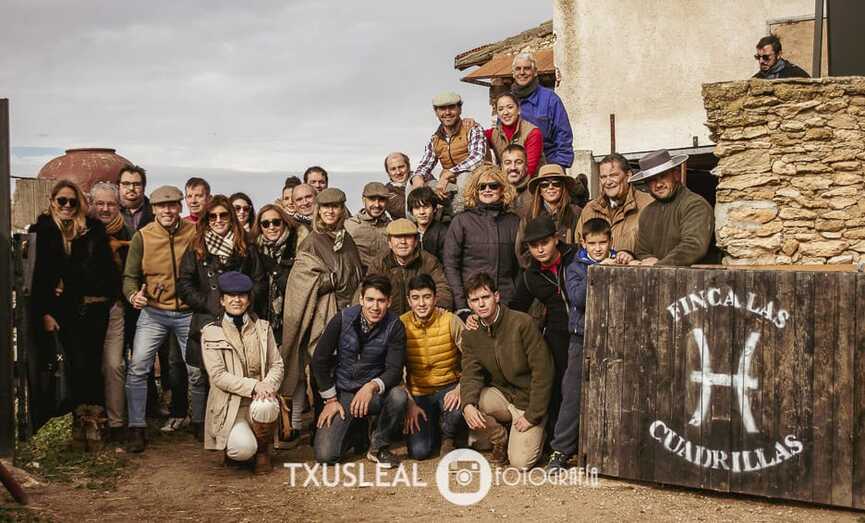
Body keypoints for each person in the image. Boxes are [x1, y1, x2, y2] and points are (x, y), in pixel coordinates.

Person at [30, 180, 118, 428]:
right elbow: (38, 279)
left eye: (72, 201)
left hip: (95, 307)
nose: (67, 205)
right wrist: (45, 312)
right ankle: (77, 421)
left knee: (94, 364)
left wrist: (106, 295)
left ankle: (95, 422)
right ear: (52, 202)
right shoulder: (42, 231)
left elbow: (105, 269)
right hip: (62, 310)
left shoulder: (92, 230)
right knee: (72, 364)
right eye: (62, 200)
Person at [279, 188, 364, 446]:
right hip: (323, 318)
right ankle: (321, 428)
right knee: (322, 369)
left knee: (348, 370)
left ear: (342, 209)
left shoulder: (347, 240)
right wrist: (331, 280)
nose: (330, 211)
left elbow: (356, 276)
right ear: (318, 210)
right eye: (325, 207)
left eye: (335, 206)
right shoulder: (311, 242)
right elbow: (301, 282)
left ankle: (351, 430)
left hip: (349, 315)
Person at [177, 194, 265, 437]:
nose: (218, 220)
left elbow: (259, 281)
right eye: (212, 216)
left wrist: (242, 303)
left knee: (238, 373)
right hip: (208, 317)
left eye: (223, 215)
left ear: (231, 217)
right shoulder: (196, 247)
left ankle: (236, 423)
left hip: (241, 317)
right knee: (202, 374)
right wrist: (208, 302)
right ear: (206, 219)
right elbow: (184, 283)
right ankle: (201, 422)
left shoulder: (246, 246)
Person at [123, 185, 200, 452]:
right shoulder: (143, 237)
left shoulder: (194, 233)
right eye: (161, 206)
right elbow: (130, 276)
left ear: (180, 207)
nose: (167, 210)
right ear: (154, 209)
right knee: (138, 367)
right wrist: (133, 295)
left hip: (187, 312)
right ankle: (137, 427)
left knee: (196, 370)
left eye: (172, 205)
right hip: (153, 312)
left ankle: (200, 422)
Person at [311, 274, 407, 467]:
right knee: (326, 455)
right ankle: (358, 431)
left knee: (398, 396)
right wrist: (330, 400)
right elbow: (319, 360)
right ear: (361, 299)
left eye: (381, 301)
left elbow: (395, 370)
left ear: (389, 302)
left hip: (374, 394)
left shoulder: (395, 325)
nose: (375, 306)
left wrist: (371, 386)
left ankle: (378, 446)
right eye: (370, 299)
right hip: (344, 392)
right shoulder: (342, 319)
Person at [460, 273, 553, 470]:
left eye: (485, 297)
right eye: (475, 300)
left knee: (520, 463)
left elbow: (543, 372)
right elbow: (470, 373)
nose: (481, 304)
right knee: (470, 400)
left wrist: (532, 415)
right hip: (501, 394)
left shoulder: (522, 323)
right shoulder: (471, 333)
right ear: (469, 304)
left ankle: (540, 431)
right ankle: (499, 435)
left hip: (528, 400)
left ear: (496, 296)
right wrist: (467, 404)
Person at [545, 217, 616, 472]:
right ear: (583, 242)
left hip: (613, 336)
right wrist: (600, 270)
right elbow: (578, 297)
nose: (598, 248)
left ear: (611, 241)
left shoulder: (618, 261)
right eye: (592, 243)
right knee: (573, 393)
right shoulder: (575, 267)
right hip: (581, 337)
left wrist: (623, 262)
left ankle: (610, 450)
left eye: (603, 243)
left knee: (614, 392)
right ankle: (560, 450)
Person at [201, 272, 284, 474]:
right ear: (222, 300)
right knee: (243, 450)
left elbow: (277, 364)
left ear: (248, 300)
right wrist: (254, 385)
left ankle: (263, 450)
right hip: (230, 405)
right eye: (230, 295)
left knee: (266, 405)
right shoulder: (211, 332)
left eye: (242, 295)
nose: (236, 300)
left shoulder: (263, 328)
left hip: (259, 400)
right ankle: (237, 447)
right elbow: (218, 376)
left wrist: (267, 387)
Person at [401, 274, 465, 459]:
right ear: (409, 301)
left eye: (427, 297)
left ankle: (448, 437)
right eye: (415, 298)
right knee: (419, 452)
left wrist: (460, 388)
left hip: (449, 388)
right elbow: (394, 369)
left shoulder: (450, 320)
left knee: (457, 409)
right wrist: (410, 403)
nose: (421, 303)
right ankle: (435, 428)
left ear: (435, 298)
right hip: (419, 393)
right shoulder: (401, 324)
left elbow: (472, 358)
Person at [443, 163, 520, 316]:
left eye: (493, 186)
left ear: (502, 189)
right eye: (482, 186)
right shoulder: (461, 221)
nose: (487, 190)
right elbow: (451, 266)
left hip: (507, 304)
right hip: (473, 305)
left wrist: (516, 300)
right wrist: (462, 306)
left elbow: (521, 266)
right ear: (475, 190)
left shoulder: (514, 222)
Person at [90, 182, 132, 441]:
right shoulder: (81, 230)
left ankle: (116, 423)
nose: (105, 209)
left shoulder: (127, 232)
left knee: (115, 364)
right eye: (100, 203)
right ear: (91, 203)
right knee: (88, 366)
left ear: (118, 206)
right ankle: (91, 422)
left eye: (111, 204)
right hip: (85, 308)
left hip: (114, 306)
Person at [630, 150, 714, 266]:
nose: (658, 184)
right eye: (652, 180)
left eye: (663, 176)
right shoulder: (647, 213)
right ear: (646, 184)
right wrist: (648, 260)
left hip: (691, 277)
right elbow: (641, 251)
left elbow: (693, 246)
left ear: (676, 175)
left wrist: (658, 265)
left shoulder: (695, 205)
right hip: (655, 275)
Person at [411, 91, 488, 213]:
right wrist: (418, 177)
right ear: (436, 112)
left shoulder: (473, 129)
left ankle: (460, 217)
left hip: (477, 184)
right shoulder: (435, 138)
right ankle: (415, 222)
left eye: (451, 107)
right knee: (412, 183)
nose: (447, 112)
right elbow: (425, 163)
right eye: (442, 108)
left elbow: (477, 158)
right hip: (450, 185)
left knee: (464, 176)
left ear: (459, 109)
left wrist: (448, 174)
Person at [576, 153, 653, 264]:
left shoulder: (648, 205)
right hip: (593, 274)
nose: (608, 182)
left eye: (613, 175)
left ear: (628, 175)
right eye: (603, 177)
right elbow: (579, 250)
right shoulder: (590, 209)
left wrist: (632, 258)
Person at [367, 218, 453, 315]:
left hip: (421, 318)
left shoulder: (429, 261)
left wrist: (436, 310)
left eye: (408, 237)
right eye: (398, 237)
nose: (403, 242)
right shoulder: (379, 263)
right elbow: (367, 290)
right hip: (388, 319)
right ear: (389, 242)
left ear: (416, 242)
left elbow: (442, 288)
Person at [510, 52, 573, 170]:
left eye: (527, 68)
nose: (522, 72)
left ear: (535, 72)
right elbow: (499, 135)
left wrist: (558, 166)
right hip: (515, 168)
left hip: (546, 165)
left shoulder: (550, 99)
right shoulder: (507, 102)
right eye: (518, 69)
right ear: (513, 73)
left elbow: (563, 134)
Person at [514, 164, 582, 268]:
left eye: (556, 184)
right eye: (544, 185)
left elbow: (581, 246)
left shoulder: (576, 213)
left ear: (563, 187)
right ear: (539, 190)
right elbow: (522, 252)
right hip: (540, 273)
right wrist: (540, 267)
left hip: (569, 272)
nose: (550, 187)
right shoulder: (529, 215)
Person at [252, 204, 298, 344]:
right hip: (260, 321)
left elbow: (295, 289)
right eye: (265, 224)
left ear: (284, 222)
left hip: (289, 320)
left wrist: (274, 269)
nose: (271, 227)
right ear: (260, 227)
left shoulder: (296, 246)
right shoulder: (254, 251)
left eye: (276, 222)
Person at [485, 92, 543, 178]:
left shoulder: (533, 132)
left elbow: (530, 170)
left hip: (531, 181)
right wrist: (469, 124)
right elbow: (475, 136)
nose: (505, 112)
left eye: (510, 107)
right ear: (497, 113)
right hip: (507, 180)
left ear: (519, 109)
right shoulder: (492, 134)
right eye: (500, 109)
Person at [344, 182, 392, 271]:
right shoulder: (349, 226)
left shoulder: (392, 227)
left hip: (386, 276)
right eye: (372, 199)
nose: (377, 205)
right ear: (363, 200)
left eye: (381, 200)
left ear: (387, 201)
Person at [407, 186, 447, 263]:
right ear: (411, 211)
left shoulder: (444, 233)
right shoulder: (407, 231)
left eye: (426, 207)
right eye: (417, 208)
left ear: (434, 209)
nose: (422, 212)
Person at [501, 144, 533, 219]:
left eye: (518, 162)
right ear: (502, 167)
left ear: (526, 166)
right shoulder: (493, 191)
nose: (513, 167)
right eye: (508, 163)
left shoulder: (535, 192)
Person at [118, 164, 153, 231]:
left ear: (144, 187)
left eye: (136, 184)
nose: (131, 188)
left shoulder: (155, 211)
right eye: (126, 184)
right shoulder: (109, 210)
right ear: (119, 186)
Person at [289, 183, 316, 249]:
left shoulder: (329, 221)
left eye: (308, 197)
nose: (305, 202)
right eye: (299, 199)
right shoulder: (290, 227)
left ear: (316, 197)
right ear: (294, 204)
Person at [384, 152, 410, 219]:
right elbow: (408, 211)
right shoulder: (386, 193)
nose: (398, 172)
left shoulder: (423, 177)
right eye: (393, 169)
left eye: (401, 167)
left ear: (408, 167)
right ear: (388, 172)